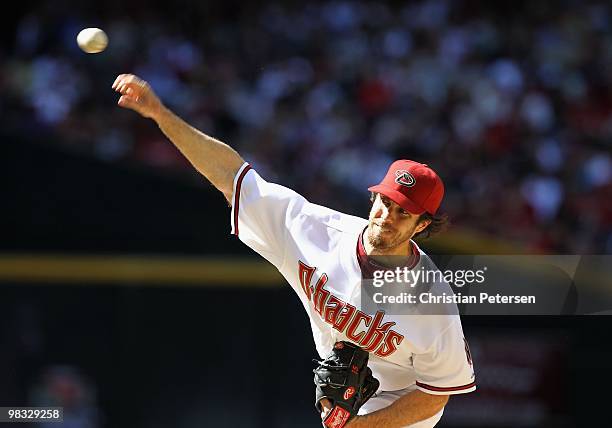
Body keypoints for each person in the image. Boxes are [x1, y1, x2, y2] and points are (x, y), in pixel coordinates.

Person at [112, 74, 476, 428]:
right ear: (373, 196)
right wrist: (161, 114)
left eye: (403, 213)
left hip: (403, 401)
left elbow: (435, 395)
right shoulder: (314, 230)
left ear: (422, 225)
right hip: (348, 388)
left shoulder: (432, 299)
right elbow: (231, 176)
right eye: (385, 202)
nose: (387, 217)